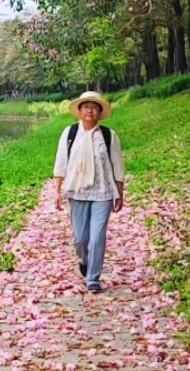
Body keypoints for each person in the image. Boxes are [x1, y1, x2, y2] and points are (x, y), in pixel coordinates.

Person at [53, 91, 124, 293]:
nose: (90, 110)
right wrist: (57, 191)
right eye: (86, 106)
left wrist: (120, 192)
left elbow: (117, 165)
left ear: (99, 112)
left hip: (103, 191)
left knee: (97, 236)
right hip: (77, 191)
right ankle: (84, 260)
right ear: (80, 110)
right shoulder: (70, 133)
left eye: (94, 107)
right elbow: (61, 162)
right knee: (80, 239)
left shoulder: (109, 136)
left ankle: (93, 278)